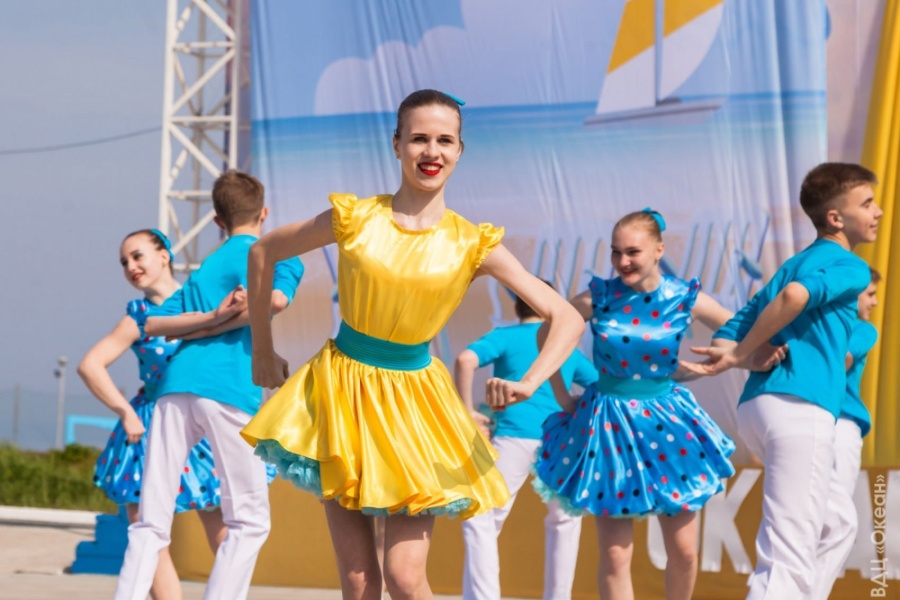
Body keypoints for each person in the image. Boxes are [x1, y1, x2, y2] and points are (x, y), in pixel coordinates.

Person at [240, 89, 585, 600]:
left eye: (445, 140)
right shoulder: (355, 217)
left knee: (404, 576)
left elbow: (567, 318)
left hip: (415, 408)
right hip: (342, 392)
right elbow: (263, 252)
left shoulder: (473, 243)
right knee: (359, 580)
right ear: (396, 144)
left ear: (460, 150)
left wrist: (530, 382)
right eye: (419, 138)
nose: (432, 151)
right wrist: (262, 348)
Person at [684, 162, 883, 598]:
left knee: (839, 523)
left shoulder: (792, 265)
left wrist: (744, 356)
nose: (879, 211)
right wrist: (742, 356)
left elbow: (728, 331)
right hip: (801, 407)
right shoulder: (850, 267)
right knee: (787, 555)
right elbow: (794, 298)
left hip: (759, 409)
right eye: (868, 203)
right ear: (835, 217)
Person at [113, 171, 304, 600]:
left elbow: (155, 324)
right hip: (229, 390)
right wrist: (222, 319)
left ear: (218, 220)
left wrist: (207, 323)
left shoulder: (204, 270)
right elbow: (275, 302)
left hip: (174, 389)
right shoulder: (277, 254)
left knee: (151, 519)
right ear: (265, 213)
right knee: (248, 520)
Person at [533, 209, 740, 600]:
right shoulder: (598, 297)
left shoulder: (683, 296)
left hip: (669, 424)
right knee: (615, 555)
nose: (622, 261)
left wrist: (719, 357)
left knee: (684, 551)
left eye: (633, 252)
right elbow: (548, 333)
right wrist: (561, 395)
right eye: (616, 252)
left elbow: (738, 328)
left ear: (659, 250)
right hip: (608, 425)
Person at [79, 229, 226, 600]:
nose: (131, 266)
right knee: (149, 539)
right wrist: (125, 411)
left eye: (137, 256)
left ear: (164, 255)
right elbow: (90, 365)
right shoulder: (138, 317)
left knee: (226, 531)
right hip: (151, 427)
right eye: (124, 262)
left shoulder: (201, 299)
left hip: (201, 424)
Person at [456, 281, 599, 600]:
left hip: (513, 438)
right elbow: (599, 385)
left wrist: (466, 412)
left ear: (517, 305)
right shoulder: (565, 348)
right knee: (565, 521)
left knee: (482, 518)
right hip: (559, 441)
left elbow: (465, 359)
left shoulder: (506, 336)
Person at [813, 267, 880, 599]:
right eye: (870, 294)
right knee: (834, 523)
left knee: (824, 521)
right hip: (834, 426)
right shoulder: (852, 327)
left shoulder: (857, 329)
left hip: (823, 422)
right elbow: (842, 359)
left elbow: (843, 358)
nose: (875, 302)